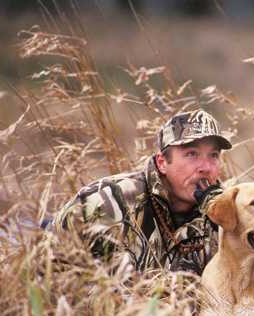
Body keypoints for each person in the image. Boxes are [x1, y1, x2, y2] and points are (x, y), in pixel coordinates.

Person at [43, 109, 231, 277]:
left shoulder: (231, 218)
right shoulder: (102, 201)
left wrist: (222, 216)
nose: (206, 168)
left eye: (213, 155)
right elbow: (46, 276)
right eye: (192, 154)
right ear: (162, 163)